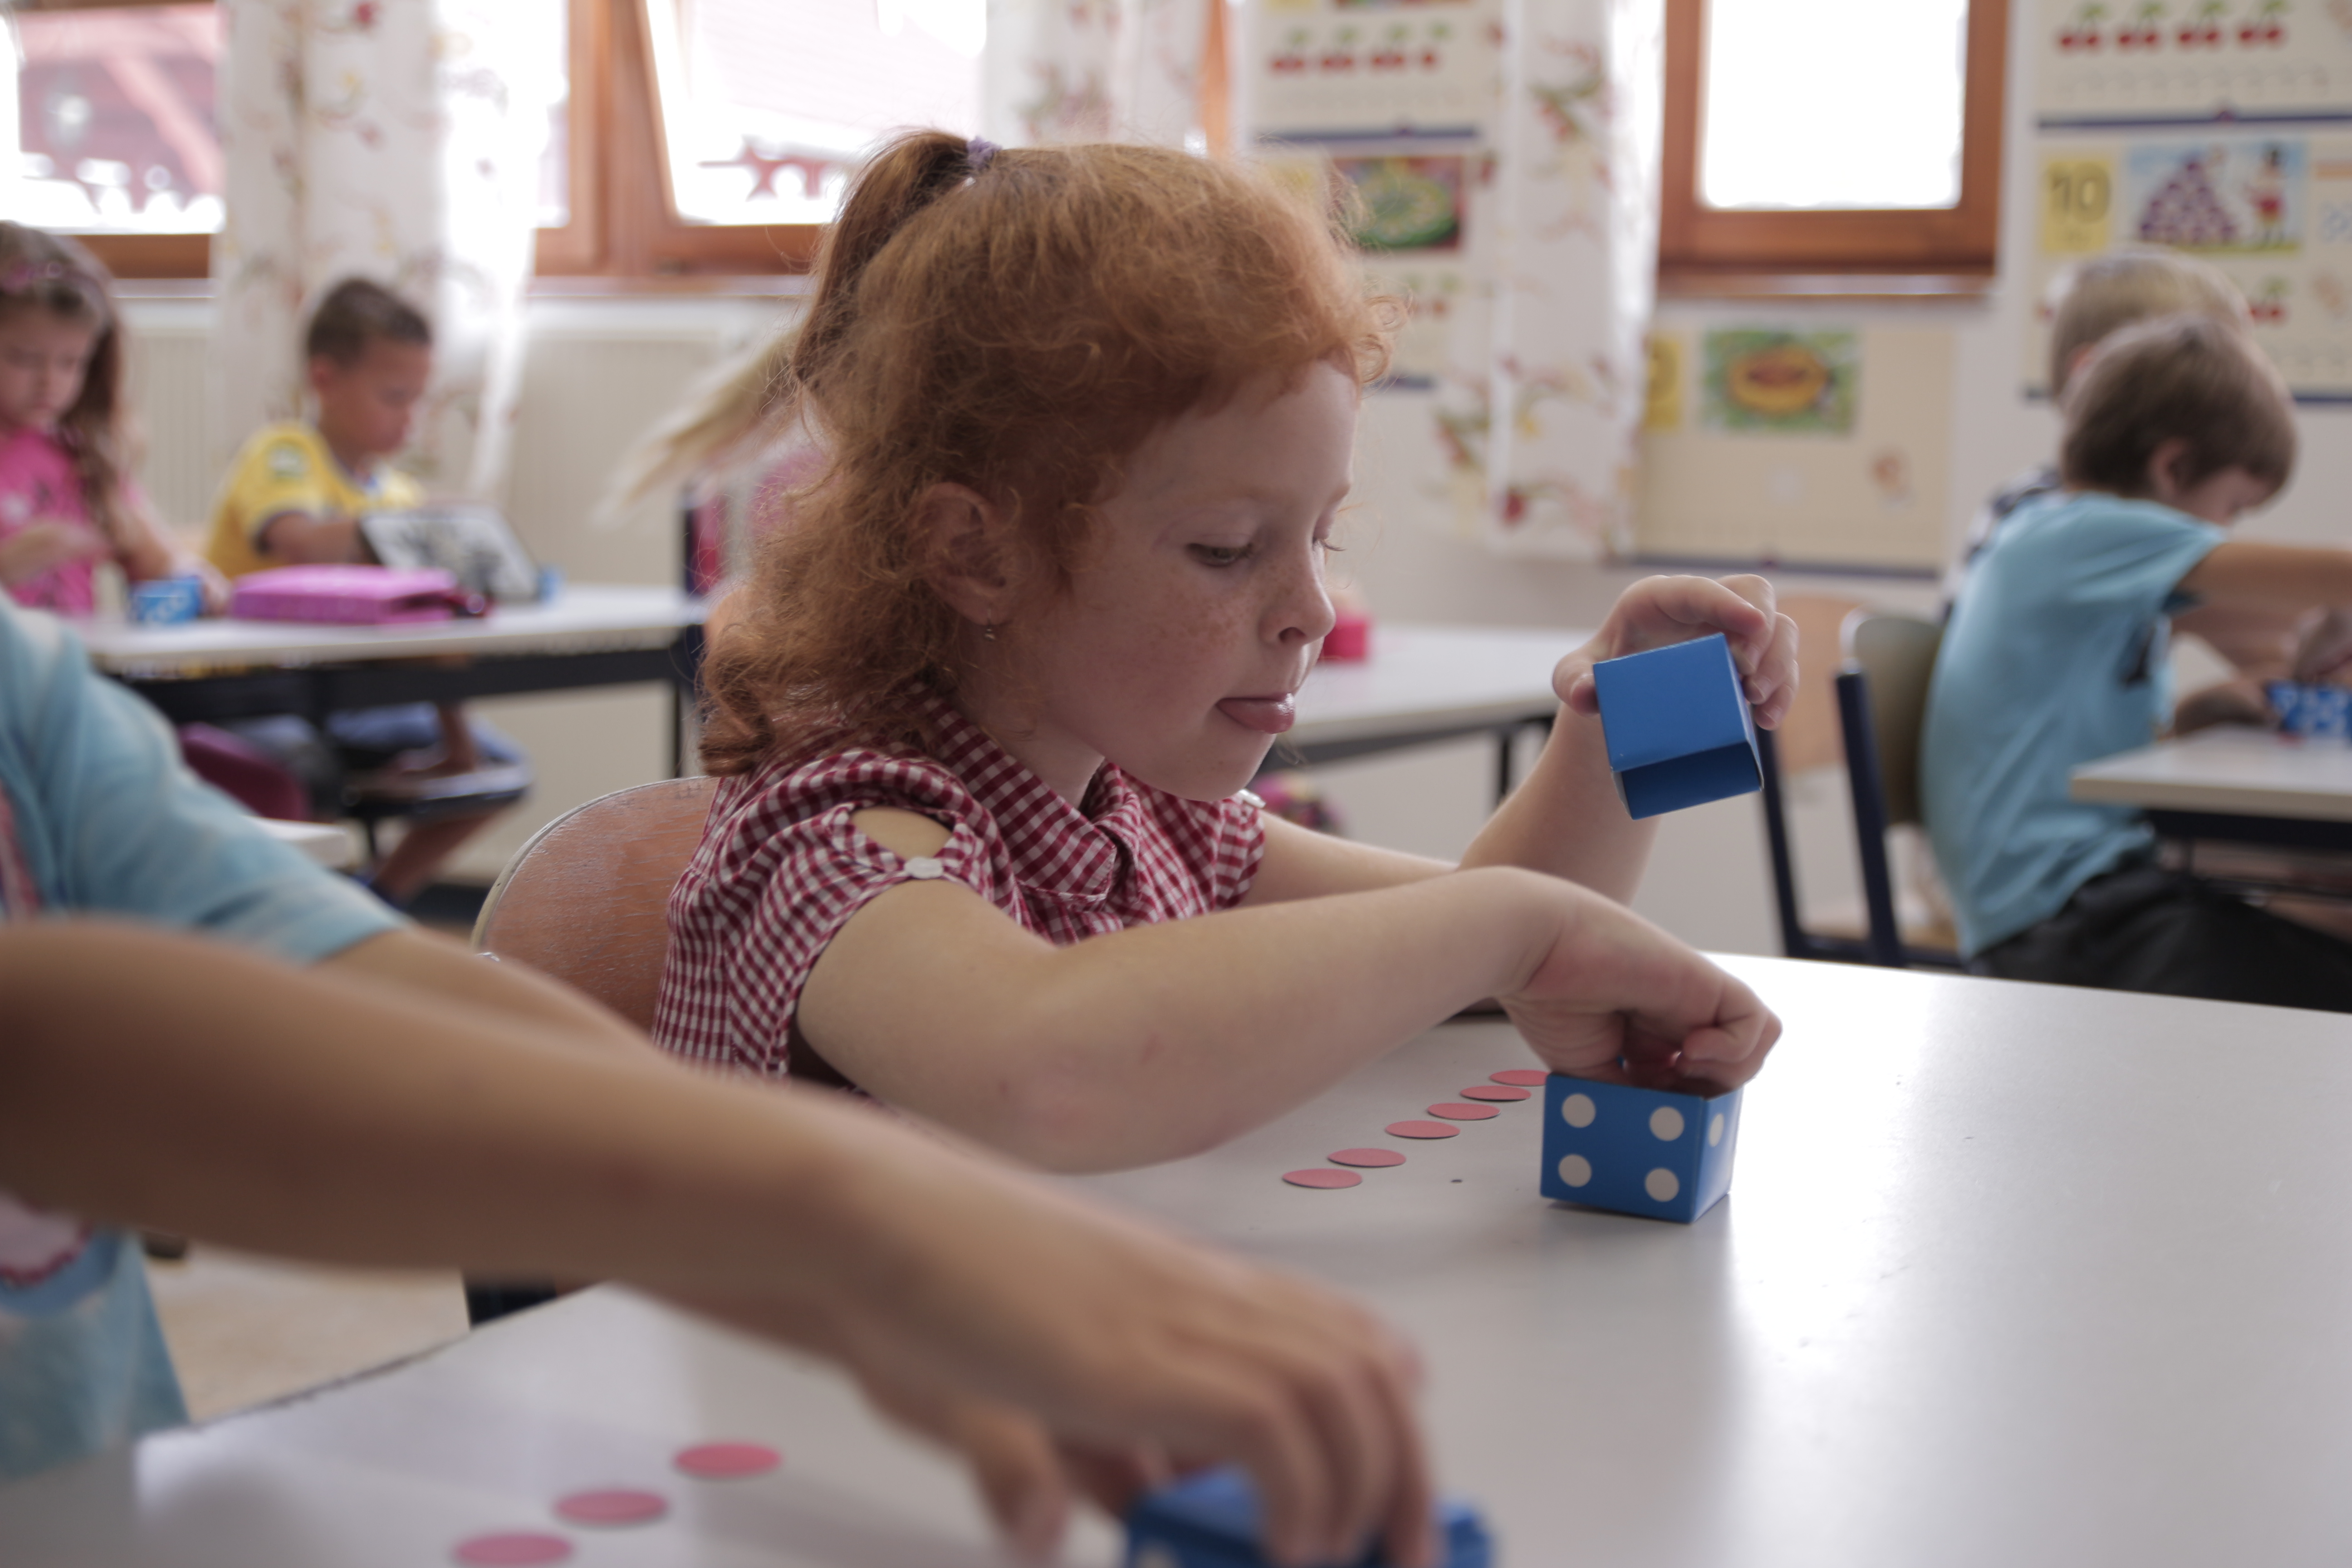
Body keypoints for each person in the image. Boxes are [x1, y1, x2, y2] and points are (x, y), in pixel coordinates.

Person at [0, 597, 1430, 1568]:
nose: (1305, 602)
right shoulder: (853, 817)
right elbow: (61, 1052)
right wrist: (858, 1214)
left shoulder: (28, 695)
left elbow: (357, 996)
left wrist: (854, 1260)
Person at [652, 132, 1791, 1174]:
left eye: (1320, 535)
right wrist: (1511, 926)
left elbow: (1521, 957)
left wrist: (1618, 714)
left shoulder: (1145, 811)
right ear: (975, 553)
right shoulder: (833, 830)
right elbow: (1047, 1069)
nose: (1310, 609)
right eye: (1226, 548)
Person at [1923, 314, 2352, 1009]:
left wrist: (2215, 702)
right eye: (2234, 506)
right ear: (2172, 467)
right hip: (2063, 924)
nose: (2226, 530)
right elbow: (2337, 575)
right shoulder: (2078, 533)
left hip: (2085, 901)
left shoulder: (2079, 549)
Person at [204, 277, 526, 906]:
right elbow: (298, 540)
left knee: (494, 769)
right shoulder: (284, 455)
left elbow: (430, 629)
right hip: (250, 690)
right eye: (393, 396)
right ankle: (310, 911)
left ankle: (372, 903)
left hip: (350, 696)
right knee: (303, 768)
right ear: (324, 380)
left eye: (418, 399)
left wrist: (456, 745)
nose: (410, 417)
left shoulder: (394, 491)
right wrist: (417, 535)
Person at [0, 223, 223, 616]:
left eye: (72, 362)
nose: (50, 382)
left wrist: (194, 578)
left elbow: (160, 561)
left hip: (78, 653)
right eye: (24, 358)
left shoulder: (82, 457)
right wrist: (9, 564)